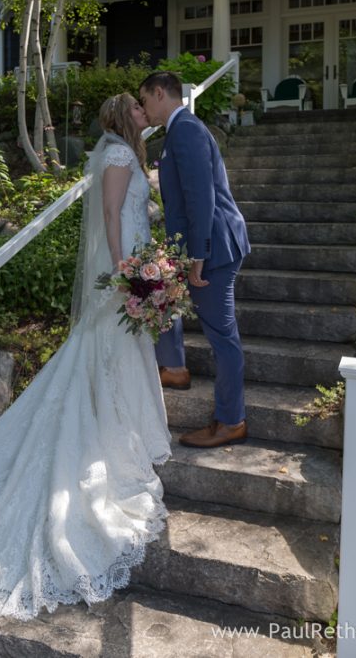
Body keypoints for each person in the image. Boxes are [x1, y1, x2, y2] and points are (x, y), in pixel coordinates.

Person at [0, 93, 171, 621]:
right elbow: (108, 212)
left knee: (115, 351)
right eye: (142, 111)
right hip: (125, 273)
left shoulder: (121, 153)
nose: (149, 114)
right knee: (105, 353)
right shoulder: (120, 156)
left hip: (132, 269)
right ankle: (119, 430)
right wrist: (128, 269)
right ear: (127, 117)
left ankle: (131, 424)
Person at [139, 71, 250, 449]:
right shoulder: (180, 130)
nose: (144, 110)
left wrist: (198, 253)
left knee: (223, 336)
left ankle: (231, 420)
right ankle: (175, 367)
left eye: (145, 102)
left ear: (160, 93)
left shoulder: (185, 129)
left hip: (214, 248)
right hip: (198, 246)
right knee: (162, 297)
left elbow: (200, 196)